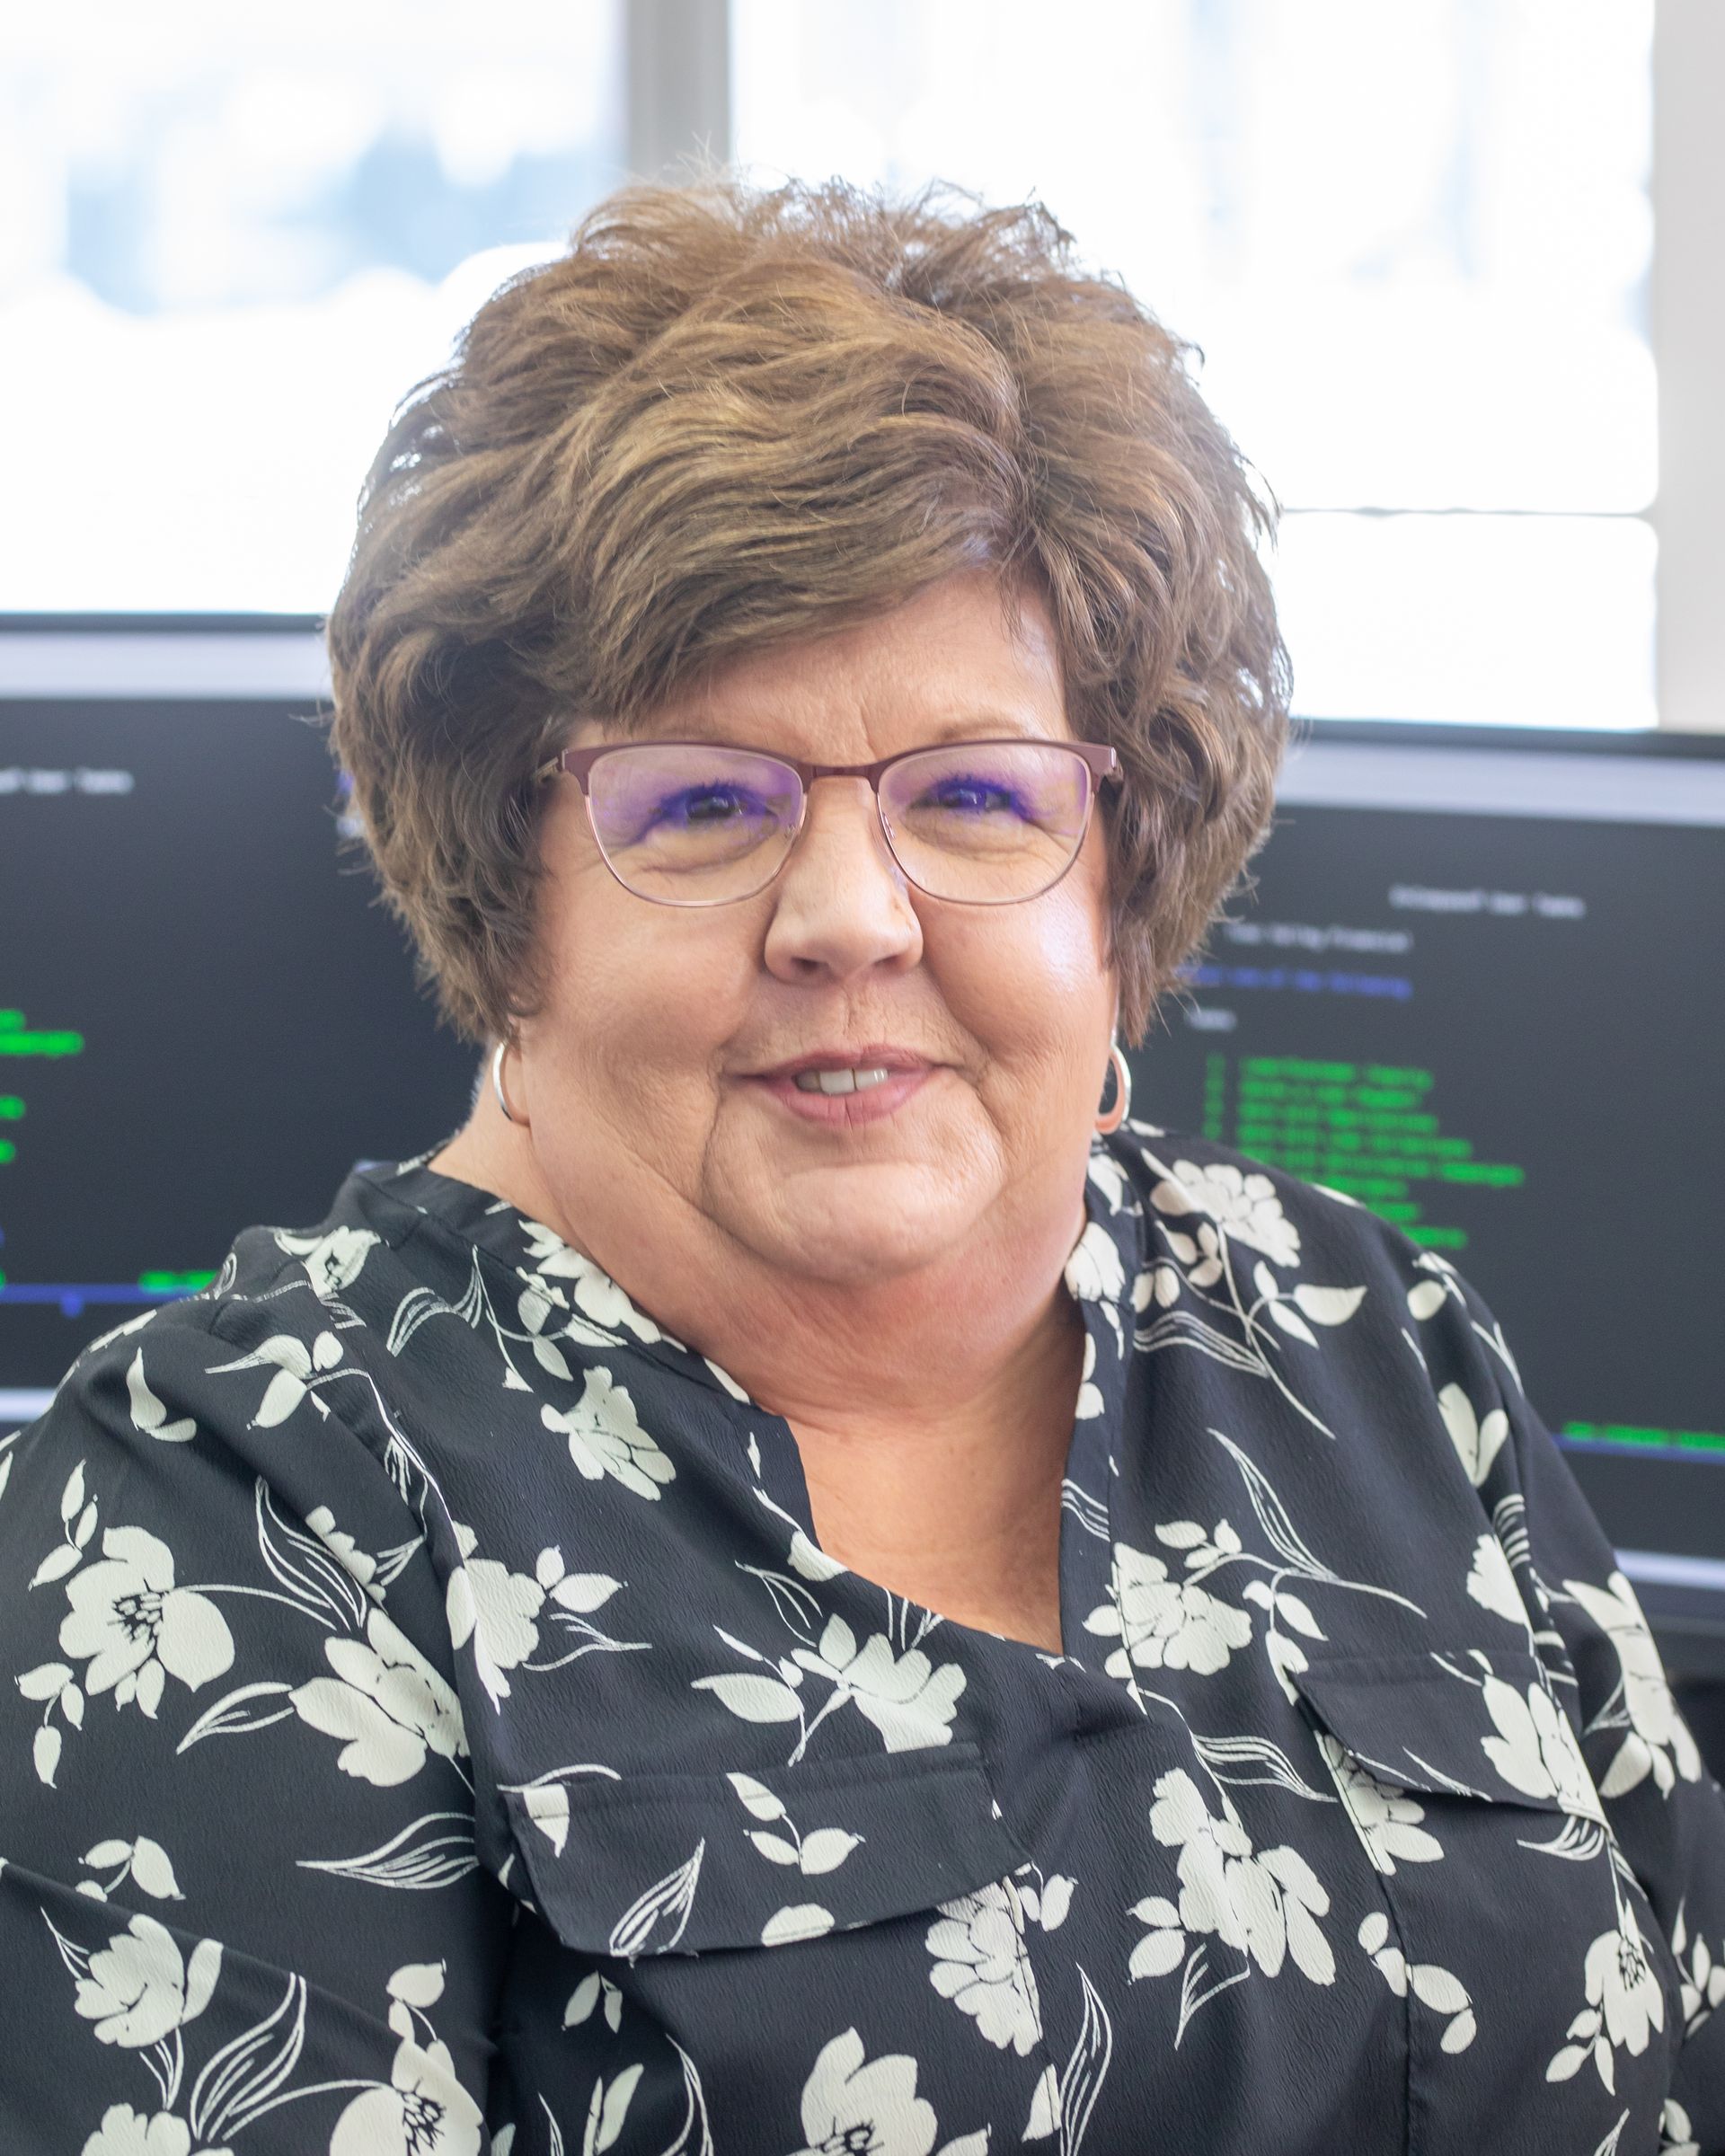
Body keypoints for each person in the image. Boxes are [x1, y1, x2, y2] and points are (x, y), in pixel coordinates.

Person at [1, 177, 1720, 2156]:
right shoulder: (233, 1521)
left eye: (977, 795)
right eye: (707, 802)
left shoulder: (1365, 1336)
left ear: (1122, 875)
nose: (850, 916)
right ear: (514, 898)